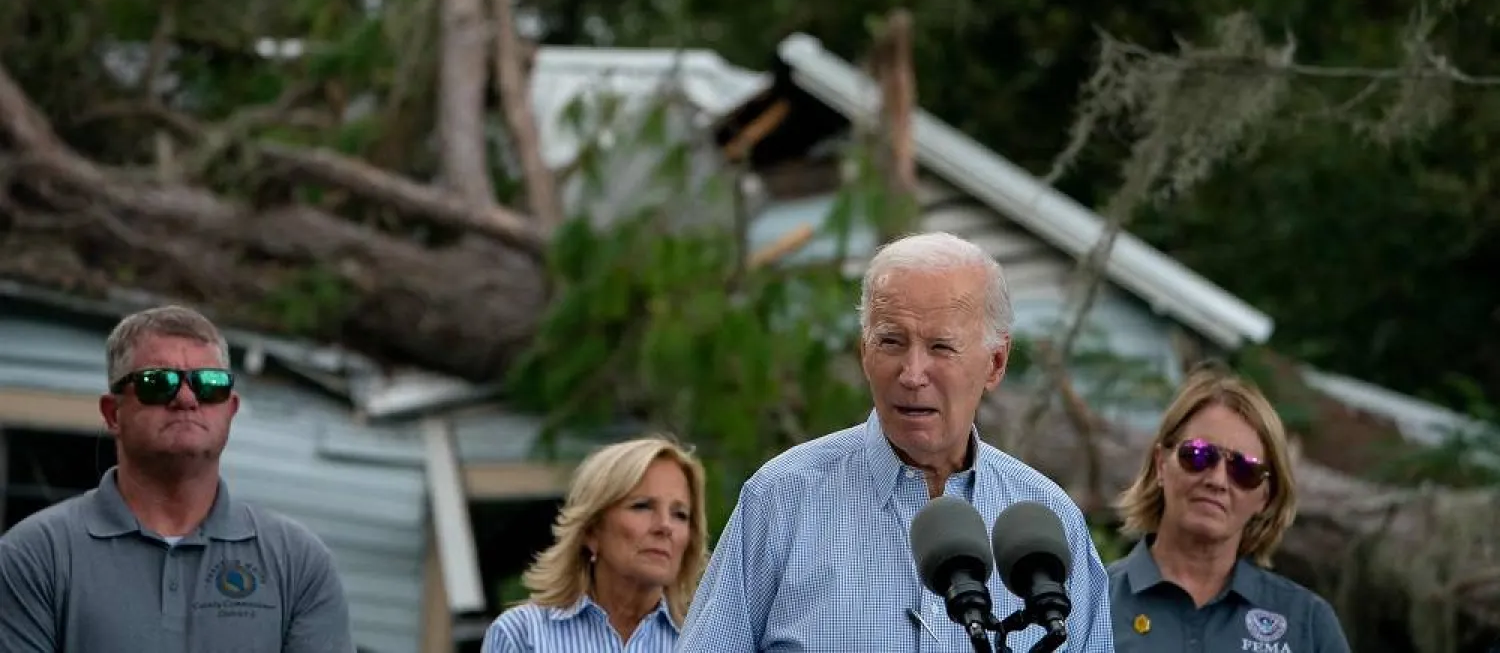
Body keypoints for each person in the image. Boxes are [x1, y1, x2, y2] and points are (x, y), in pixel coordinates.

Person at [678, 231, 1116, 652]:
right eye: (891, 342)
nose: (911, 374)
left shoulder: (1050, 521)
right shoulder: (782, 498)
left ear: (996, 363)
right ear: (863, 353)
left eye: (941, 347)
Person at [0, 305, 355, 653]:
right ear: (113, 414)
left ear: (230, 411)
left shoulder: (299, 562)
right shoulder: (33, 557)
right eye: (158, 382)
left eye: (209, 384)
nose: (186, 398)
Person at [1107, 363, 1351, 652]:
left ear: (1266, 497)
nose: (1217, 480)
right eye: (1198, 456)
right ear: (1162, 464)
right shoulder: (1089, 603)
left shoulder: (1307, 624)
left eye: (1244, 470)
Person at [481, 435, 710, 652]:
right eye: (642, 506)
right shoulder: (522, 635)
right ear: (591, 530)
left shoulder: (709, 642)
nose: (665, 526)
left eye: (680, 514)